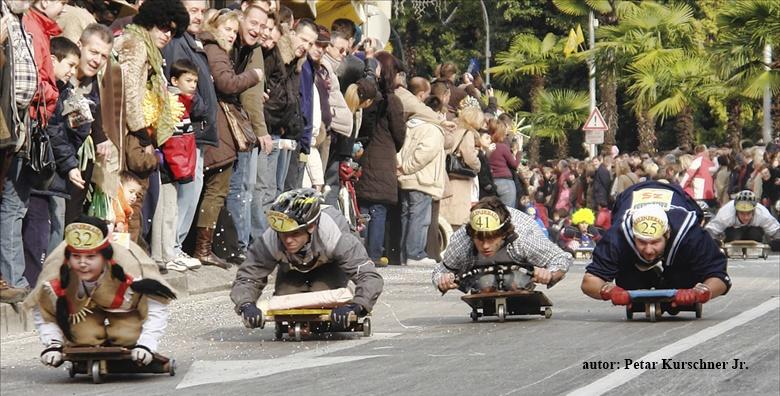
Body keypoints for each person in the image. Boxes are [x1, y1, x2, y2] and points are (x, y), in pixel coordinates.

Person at [24, 215, 176, 368]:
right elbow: (44, 310)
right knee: (82, 336)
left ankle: (127, 341)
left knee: (126, 335)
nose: (82, 263)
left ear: (105, 257)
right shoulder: (55, 271)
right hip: (84, 313)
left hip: (125, 313)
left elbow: (155, 306)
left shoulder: (131, 268)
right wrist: (53, 344)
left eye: (90, 257)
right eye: (76, 256)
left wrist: (146, 344)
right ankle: (90, 344)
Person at [230, 188, 383, 329]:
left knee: (323, 299)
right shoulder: (270, 239)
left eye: (294, 233)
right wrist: (246, 305)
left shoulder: (335, 236)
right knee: (287, 301)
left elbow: (368, 276)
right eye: (283, 234)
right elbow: (248, 277)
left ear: (311, 227)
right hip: (293, 268)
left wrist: (358, 305)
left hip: (330, 266)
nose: (288, 240)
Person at [581, 181, 730, 309]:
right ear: (632, 236)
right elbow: (589, 282)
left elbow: (720, 278)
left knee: (682, 281)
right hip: (629, 196)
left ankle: (674, 277)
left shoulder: (690, 234)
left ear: (667, 234)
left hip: (679, 197)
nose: (649, 250)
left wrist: (702, 292)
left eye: (655, 242)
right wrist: (609, 292)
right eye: (642, 242)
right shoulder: (617, 236)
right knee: (628, 282)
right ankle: (645, 277)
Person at [433, 196, 571, 294]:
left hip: (521, 266)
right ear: (471, 235)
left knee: (516, 284)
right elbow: (440, 271)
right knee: (484, 285)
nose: (485, 246)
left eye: (491, 238)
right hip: (480, 272)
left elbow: (561, 258)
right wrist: (443, 280)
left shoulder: (524, 238)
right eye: (479, 239)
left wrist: (550, 274)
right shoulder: (461, 241)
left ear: (504, 234)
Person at [705, 190, 780, 243]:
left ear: (754, 210)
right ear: (736, 210)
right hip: (734, 233)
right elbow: (711, 230)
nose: (745, 217)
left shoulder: (762, 213)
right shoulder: (726, 212)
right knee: (735, 236)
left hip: (754, 234)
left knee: (754, 234)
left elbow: (775, 230)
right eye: (742, 213)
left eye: (748, 213)